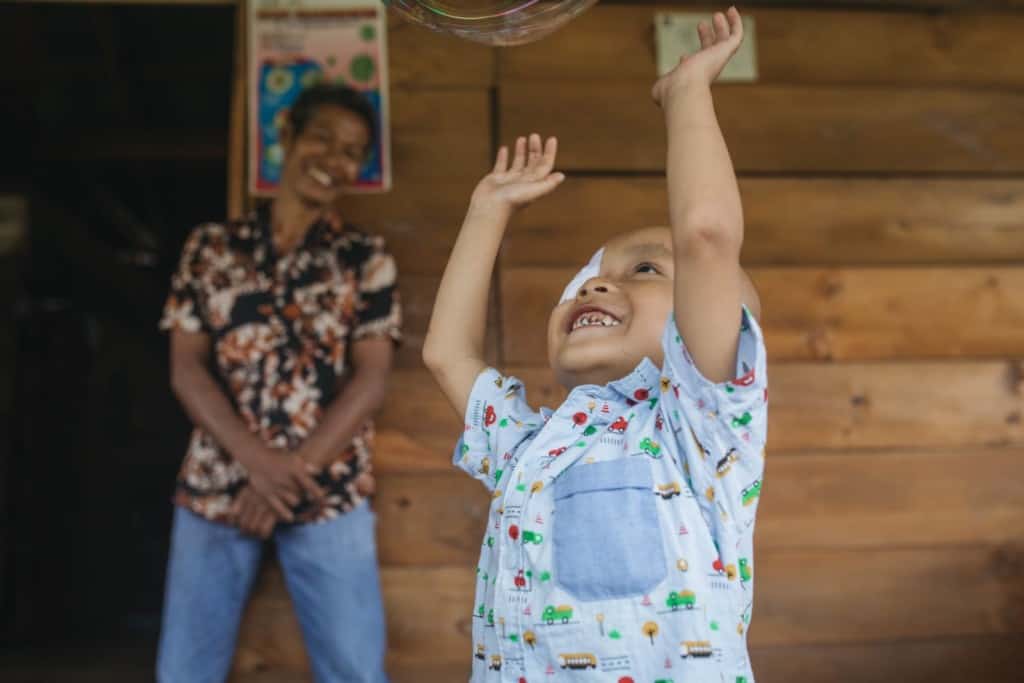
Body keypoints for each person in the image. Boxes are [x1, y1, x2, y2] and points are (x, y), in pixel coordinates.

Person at [423, 7, 766, 681]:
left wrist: (687, 92)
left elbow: (704, 238)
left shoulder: (699, 431)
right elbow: (447, 355)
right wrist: (486, 211)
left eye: (641, 269)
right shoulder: (530, 445)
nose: (592, 289)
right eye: (582, 281)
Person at [156, 83, 399, 683]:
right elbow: (186, 367)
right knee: (184, 670)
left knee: (355, 671)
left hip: (328, 488)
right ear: (286, 135)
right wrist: (257, 462)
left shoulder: (364, 257)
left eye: (352, 151)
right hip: (217, 483)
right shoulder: (211, 249)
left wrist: (281, 479)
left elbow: (370, 381)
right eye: (322, 138)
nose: (335, 160)